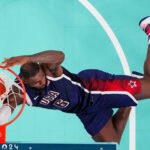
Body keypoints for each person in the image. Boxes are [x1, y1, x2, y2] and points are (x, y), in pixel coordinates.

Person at [0, 16, 150, 144]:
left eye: (42, 79)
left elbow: (59, 56)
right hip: (84, 110)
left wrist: (29, 58)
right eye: (37, 83)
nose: (42, 83)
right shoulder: (19, 92)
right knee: (112, 142)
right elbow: (9, 106)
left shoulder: (48, 70)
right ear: (26, 82)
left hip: (94, 90)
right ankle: (132, 89)